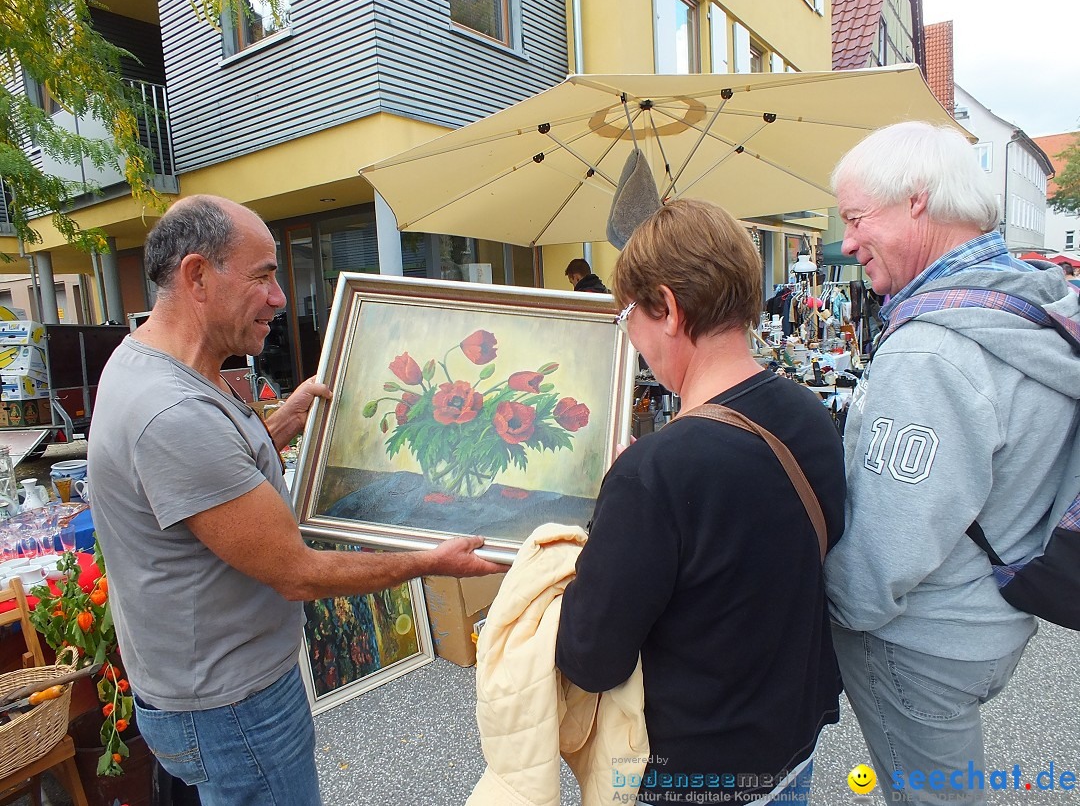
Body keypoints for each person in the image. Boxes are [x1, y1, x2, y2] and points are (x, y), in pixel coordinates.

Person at [88, 195, 501, 805]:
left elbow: (205, 484)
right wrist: (429, 560)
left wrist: (282, 422)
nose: (281, 297)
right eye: (263, 277)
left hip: (207, 694)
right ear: (198, 276)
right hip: (234, 710)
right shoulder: (173, 413)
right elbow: (298, 572)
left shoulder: (153, 364)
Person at [555, 198, 846, 804]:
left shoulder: (655, 473)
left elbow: (592, 658)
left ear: (668, 308)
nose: (629, 332)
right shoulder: (809, 415)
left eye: (628, 312)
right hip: (791, 752)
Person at [824, 122, 1080, 805]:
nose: (847, 243)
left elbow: (888, 548)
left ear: (916, 201)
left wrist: (824, 613)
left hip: (920, 644)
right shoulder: (1035, 306)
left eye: (855, 218)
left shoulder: (930, 352)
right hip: (1002, 609)